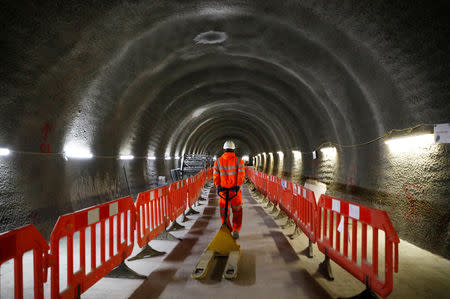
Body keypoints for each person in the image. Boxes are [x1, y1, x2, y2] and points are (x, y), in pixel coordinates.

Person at [213, 140, 245, 239]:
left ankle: (227, 229)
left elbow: (215, 175)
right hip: (234, 191)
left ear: (224, 149)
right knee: (237, 211)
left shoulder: (218, 161)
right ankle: (236, 230)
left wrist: (218, 186)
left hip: (223, 191)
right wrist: (238, 185)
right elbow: (241, 174)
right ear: (234, 149)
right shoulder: (239, 161)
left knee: (224, 211)